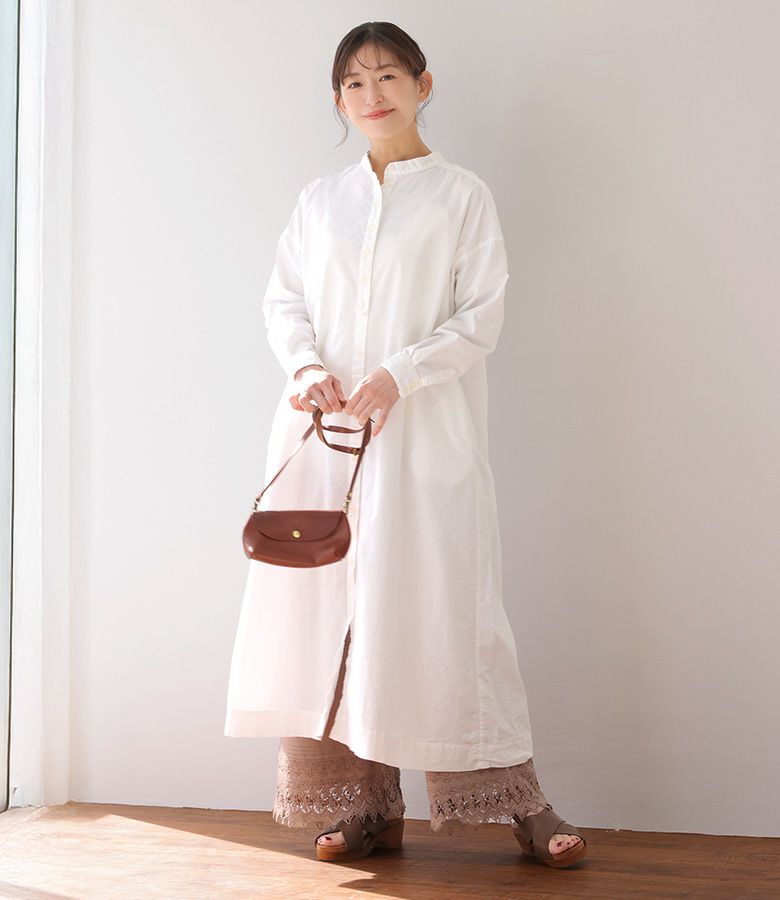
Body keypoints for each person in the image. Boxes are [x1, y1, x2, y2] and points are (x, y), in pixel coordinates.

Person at [224, 21, 587, 869]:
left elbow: (481, 315)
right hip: (324, 437)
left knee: (445, 612)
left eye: (388, 75)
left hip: (424, 434)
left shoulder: (462, 196)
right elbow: (284, 302)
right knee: (336, 619)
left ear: (425, 85)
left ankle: (520, 804)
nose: (372, 94)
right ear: (338, 101)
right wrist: (307, 366)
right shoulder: (320, 201)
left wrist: (399, 373)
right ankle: (369, 808)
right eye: (354, 83)